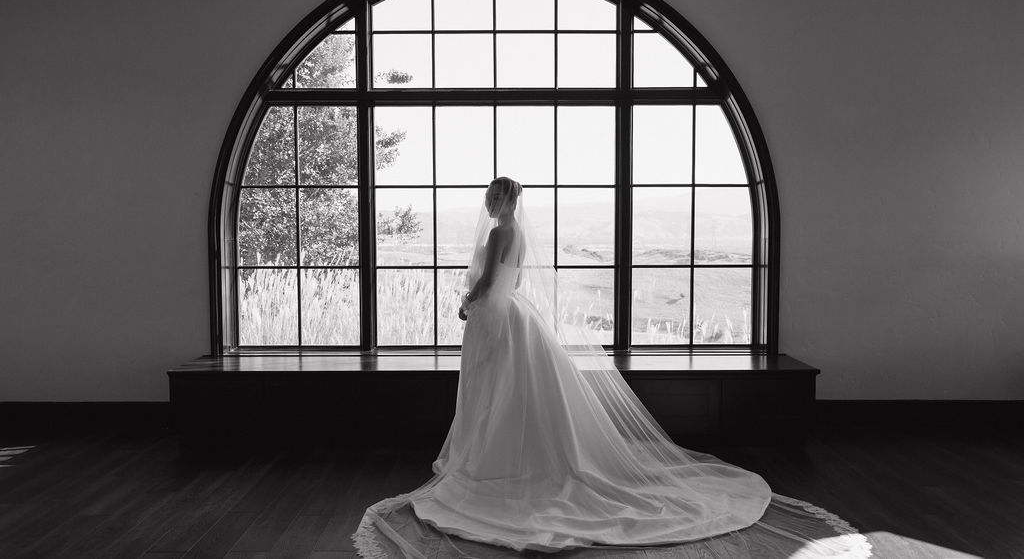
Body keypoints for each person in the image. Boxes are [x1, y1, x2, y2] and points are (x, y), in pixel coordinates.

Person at [353, 177, 869, 558]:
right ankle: (515, 457)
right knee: (515, 391)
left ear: (500, 200)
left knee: (496, 390)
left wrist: (466, 303)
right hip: (516, 315)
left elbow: (488, 282)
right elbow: (515, 282)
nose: (488, 203)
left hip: (496, 316)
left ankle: (493, 462)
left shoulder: (494, 237)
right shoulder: (521, 236)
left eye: (492, 196)